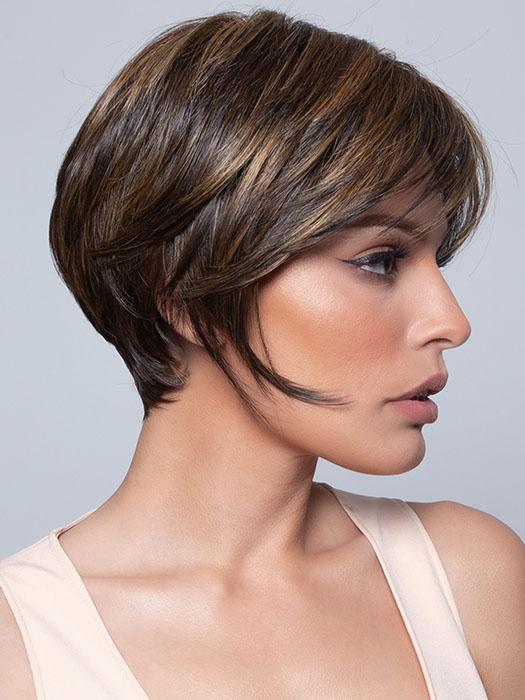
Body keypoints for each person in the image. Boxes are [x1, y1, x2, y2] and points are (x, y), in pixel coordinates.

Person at [1, 7, 524, 699]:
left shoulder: (470, 579)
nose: (451, 322)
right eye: (379, 260)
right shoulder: (20, 650)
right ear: (182, 290)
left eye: (437, 259)